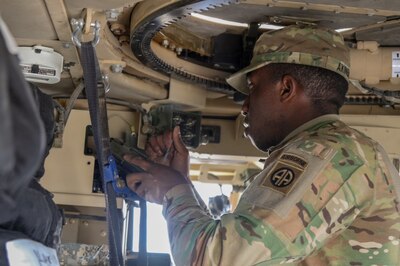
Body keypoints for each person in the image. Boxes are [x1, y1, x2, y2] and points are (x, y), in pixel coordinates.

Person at [125, 25, 400, 265]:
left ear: (286, 89)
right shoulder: (340, 151)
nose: (244, 105)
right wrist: (181, 182)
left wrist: (174, 189)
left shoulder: (328, 155)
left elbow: (214, 259)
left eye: (253, 87)